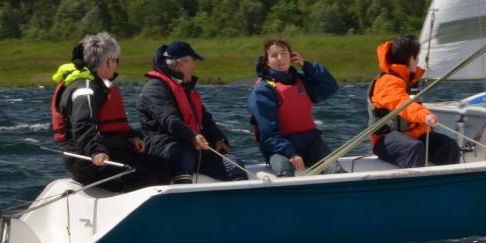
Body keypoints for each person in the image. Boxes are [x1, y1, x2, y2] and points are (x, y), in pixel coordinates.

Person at [51, 32, 168, 191]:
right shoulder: (85, 89)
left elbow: (109, 125)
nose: (116, 66)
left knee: (163, 166)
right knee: (145, 179)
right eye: (116, 61)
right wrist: (96, 151)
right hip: (87, 160)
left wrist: (132, 136)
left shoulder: (97, 85)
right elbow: (82, 125)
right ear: (108, 62)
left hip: (112, 151)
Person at [138, 40, 249, 183]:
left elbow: (204, 118)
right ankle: (183, 192)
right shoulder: (155, 88)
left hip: (191, 145)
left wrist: (217, 139)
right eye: (192, 61)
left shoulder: (186, 89)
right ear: (179, 64)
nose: (194, 65)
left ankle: (240, 194)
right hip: (164, 146)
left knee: (234, 164)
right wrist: (192, 137)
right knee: (183, 156)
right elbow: (169, 120)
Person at [247, 38, 339, 177]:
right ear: (267, 62)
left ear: (291, 56)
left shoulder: (301, 81)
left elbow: (330, 87)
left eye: (284, 53)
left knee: (335, 169)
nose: (280, 58)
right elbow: (269, 134)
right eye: (274, 55)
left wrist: (306, 66)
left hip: (310, 141)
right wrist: (290, 153)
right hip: (279, 147)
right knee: (284, 172)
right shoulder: (263, 91)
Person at [368, 35, 460, 168]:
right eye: (417, 57)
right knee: (413, 147)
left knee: (448, 145)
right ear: (412, 58)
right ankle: (416, 181)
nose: (418, 61)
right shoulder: (387, 82)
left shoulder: (409, 80)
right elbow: (402, 104)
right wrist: (424, 116)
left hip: (413, 136)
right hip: (386, 140)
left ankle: (450, 180)